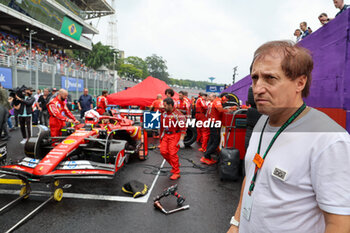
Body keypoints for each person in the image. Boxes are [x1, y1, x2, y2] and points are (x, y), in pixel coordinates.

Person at [226, 40, 350, 233]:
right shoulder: (262, 121)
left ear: (300, 83)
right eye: (255, 78)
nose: (257, 88)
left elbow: (339, 223)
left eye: (270, 78)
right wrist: (236, 223)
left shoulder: (329, 139)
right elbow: (251, 176)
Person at [160, 97, 186, 180]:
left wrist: (181, 140)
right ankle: (175, 165)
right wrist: (162, 135)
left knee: (172, 154)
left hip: (175, 135)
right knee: (163, 151)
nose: (163, 107)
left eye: (165, 105)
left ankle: (176, 172)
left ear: (170, 105)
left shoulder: (178, 114)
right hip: (166, 135)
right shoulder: (164, 113)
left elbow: (183, 129)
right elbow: (163, 125)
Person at [201, 93, 230, 165]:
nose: (226, 102)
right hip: (214, 123)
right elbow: (220, 109)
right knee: (216, 141)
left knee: (211, 140)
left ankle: (207, 157)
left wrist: (230, 109)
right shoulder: (217, 101)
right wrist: (228, 110)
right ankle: (205, 156)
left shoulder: (214, 102)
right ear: (223, 97)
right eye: (226, 100)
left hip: (212, 122)